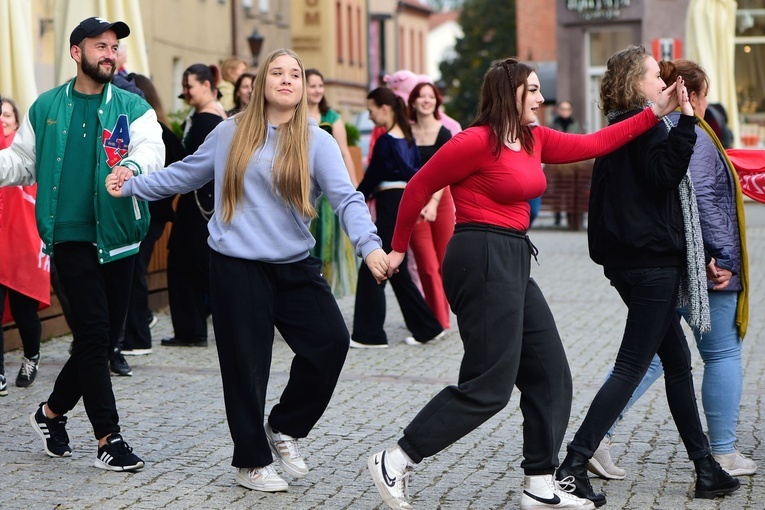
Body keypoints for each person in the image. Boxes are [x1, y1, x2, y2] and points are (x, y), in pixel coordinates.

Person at [366, 56, 689, 510]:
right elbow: (418, 186)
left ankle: (540, 484)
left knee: (551, 375)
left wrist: (656, 112)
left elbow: (597, 141)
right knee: (490, 385)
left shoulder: (534, 139)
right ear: (510, 93)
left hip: (514, 257)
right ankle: (395, 459)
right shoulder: (476, 141)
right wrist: (398, 250)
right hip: (479, 256)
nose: (542, 98)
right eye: (533, 90)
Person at [105, 48, 387, 492]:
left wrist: (369, 247)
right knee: (246, 366)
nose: (288, 80)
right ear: (260, 83)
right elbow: (186, 174)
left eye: (295, 73)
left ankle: (285, 425)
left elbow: (347, 198)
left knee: (331, 341)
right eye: (278, 72)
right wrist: (132, 185)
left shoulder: (318, 140)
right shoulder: (230, 132)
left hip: (294, 265)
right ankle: (251, 461)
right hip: (237, 265)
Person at [555, 46, 739, 506]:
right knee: (631, 366)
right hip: (651, 267)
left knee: (677, 365)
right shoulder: (645, 128)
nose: (663, 81)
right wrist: (689, 121)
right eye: (656, 76)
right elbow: (664, 177)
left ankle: (706, 468)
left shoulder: (623, 127)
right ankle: (572, 465)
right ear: (637, 84)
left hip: (632, 263)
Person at [0, 16, 164, 471]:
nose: (110, 54)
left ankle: (50, 414)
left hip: (121, 236)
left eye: (114, 47)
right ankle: (108, 439)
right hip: (70, 236)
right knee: (94, 335)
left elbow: (152, 148)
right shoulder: (47, 106)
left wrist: (131, 167)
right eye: (100, 46)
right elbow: (20, 162)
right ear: (77, 52)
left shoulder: (133, 106)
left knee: (103, 340)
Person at [588, 59, 756, 480]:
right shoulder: (676, 131)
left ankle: (597, 443)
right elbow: (700, 201)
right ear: (693, 94)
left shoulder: (641, 128)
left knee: (660, 360)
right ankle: (720, 455)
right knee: (718, 354)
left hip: (665, 264)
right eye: (657, 79)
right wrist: (719, 261)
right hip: (685, 268)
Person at [350, 87, 444, 349]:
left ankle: (369, 334)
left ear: (384, 108)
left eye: (371, 110)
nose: (369, 117)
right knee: (395, 267)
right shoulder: (409, 139)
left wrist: (352, 200)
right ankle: (427, 328)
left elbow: (372, 178)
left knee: (376, 264)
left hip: (391, 203)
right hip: (405, 204)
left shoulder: (386, 141)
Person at [120, 74, 187, 356]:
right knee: (134, 271)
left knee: (135, 271)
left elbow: (180, 167)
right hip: (151, 211)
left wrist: (155, 197)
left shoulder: (155, 131)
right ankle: (137, 329)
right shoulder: (159, 130)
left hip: (150, 212)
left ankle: (138, 336)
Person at [161, 64, 227, 348]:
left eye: (189, 86)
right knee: (191, 263)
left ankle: (192, 329)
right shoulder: (212, 117)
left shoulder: (206, 120)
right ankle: (193, 327)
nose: (185, 92)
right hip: (203, 201)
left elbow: (192, 163)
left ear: (206, 85)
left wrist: (166, 135)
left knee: (188, 263)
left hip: (200, 203)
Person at [0, 97, 49, 394]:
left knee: (24, 311)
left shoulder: (25, 153)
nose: (3, 118)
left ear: (17, 122)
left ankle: (31, 355)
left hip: (23, 244)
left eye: (7, 114)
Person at [305, 68, 359, 298]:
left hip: (325, 192)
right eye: (312, 85)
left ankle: (323, 293)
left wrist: (354, 184)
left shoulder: (332, 118)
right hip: (302, 186)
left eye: (320, 85)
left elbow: (345, 153)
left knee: (326, 245)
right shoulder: (295, 116)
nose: (317, 90)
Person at [406, 82, 455, 332]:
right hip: (415, 201)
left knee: (444, 263)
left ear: (436, 102)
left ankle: (442, 317)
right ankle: (436, 322)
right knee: (426, 265)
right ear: (413, 102)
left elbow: (446, 173)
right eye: (421, 97)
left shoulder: (444, 133)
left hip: (441, 200)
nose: (426, 101)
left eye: (431, 97)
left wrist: (434, 203)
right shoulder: (406, 132)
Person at [549, 100, 583, 226]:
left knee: (572, 190)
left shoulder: (574, 125)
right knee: (557, 191)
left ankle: (571, 218)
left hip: (572, 164)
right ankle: (557, 216)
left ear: (571, 111)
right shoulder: (552, 124)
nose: (565, 111)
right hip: (556, 163)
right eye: (562, 109)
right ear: (558, 110)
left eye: (567, 109)